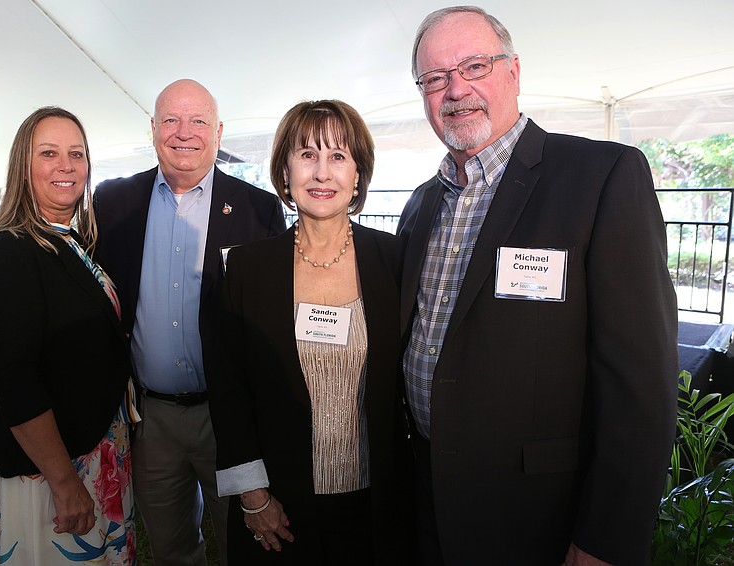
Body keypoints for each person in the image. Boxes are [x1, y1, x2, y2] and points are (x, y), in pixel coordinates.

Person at [398, 6, 678, 566]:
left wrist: (607, 536)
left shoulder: (601, 177)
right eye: (435, 78)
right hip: (427, 503)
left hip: (541, 517)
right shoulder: (421, 203)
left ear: (514, 71)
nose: (456, 90)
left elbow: (640, 381)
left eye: (474, 65)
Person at [93, 79, 286, 565]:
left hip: (228, 420)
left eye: (198, 120)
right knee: (172, 547)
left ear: (218, 132)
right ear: (153, 128)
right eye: (171, 120)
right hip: (150, 419)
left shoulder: (258, 210)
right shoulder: (113, 202)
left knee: (241, 543)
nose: (185, 133)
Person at [208, 99, 408, 566]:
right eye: (307, 155)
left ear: (358, 173)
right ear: (284, 171)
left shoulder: (395, 261)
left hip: (376, 503)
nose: (322, 173)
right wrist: (253, 497)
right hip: (279, 507)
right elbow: (228, 390)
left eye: (338, 156)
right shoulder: (246, 268)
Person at [0, 106, 137, 565]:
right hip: (51, 473)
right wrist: (65, 484)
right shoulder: (10, 250)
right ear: (23, 167)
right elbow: (14, 380)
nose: (66, 165)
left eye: (76, 153)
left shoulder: (68, 240)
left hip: (94, 453)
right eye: (49, 153)